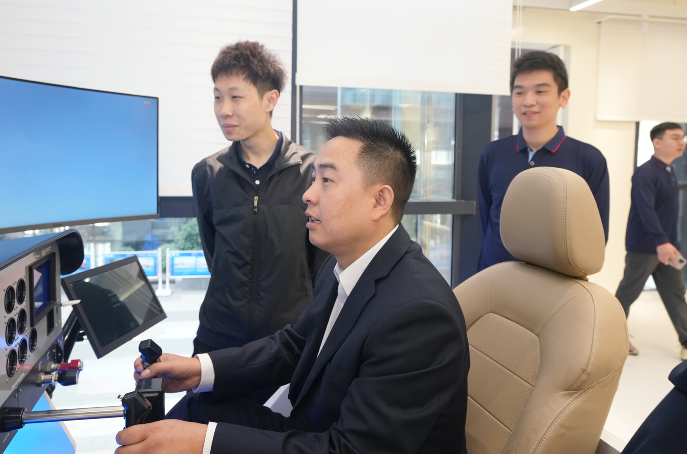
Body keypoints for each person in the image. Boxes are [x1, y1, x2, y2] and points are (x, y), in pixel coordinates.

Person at [116, 118, 470, 454]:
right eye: (313, 178)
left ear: (380, 201)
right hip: (313, 431)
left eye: (326, 180)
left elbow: (352, 449)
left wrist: (202, 443)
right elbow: (296, 346)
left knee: (193, 436)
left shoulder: (418, 315)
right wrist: (198, 371)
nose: (308, 194)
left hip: (336, 444)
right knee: (197, 408)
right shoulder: (342, 265)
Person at [190, 42, 325, 403]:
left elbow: (321, 265)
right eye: (217, 97)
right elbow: (214, 255)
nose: (224, 110)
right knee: (204, 426)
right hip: (218, 339)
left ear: (270, 99)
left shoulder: (311, 172)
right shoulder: (207, 173)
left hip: (286, 344)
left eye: (236, 97)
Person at [477, 51, 610, 271]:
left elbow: (595, 235)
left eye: (540, 91)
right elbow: (486, 221)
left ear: (564, 97)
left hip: (558, 281)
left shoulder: (589, 159)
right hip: (498, 276)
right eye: (519, 92)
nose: (528, 101)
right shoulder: (493, 153)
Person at [615, 122, 687, 358]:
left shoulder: (669, 171)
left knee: (675, 293)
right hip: (645, 247)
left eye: (683, 138)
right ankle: (612, 337)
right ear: (657, 142)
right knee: (628, 293)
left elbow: (667, 214)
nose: (682, 143)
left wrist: (671, 244)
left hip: (667, 247)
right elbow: (646, 211)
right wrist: (661, 241)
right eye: (675, 138)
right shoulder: (645, 173)